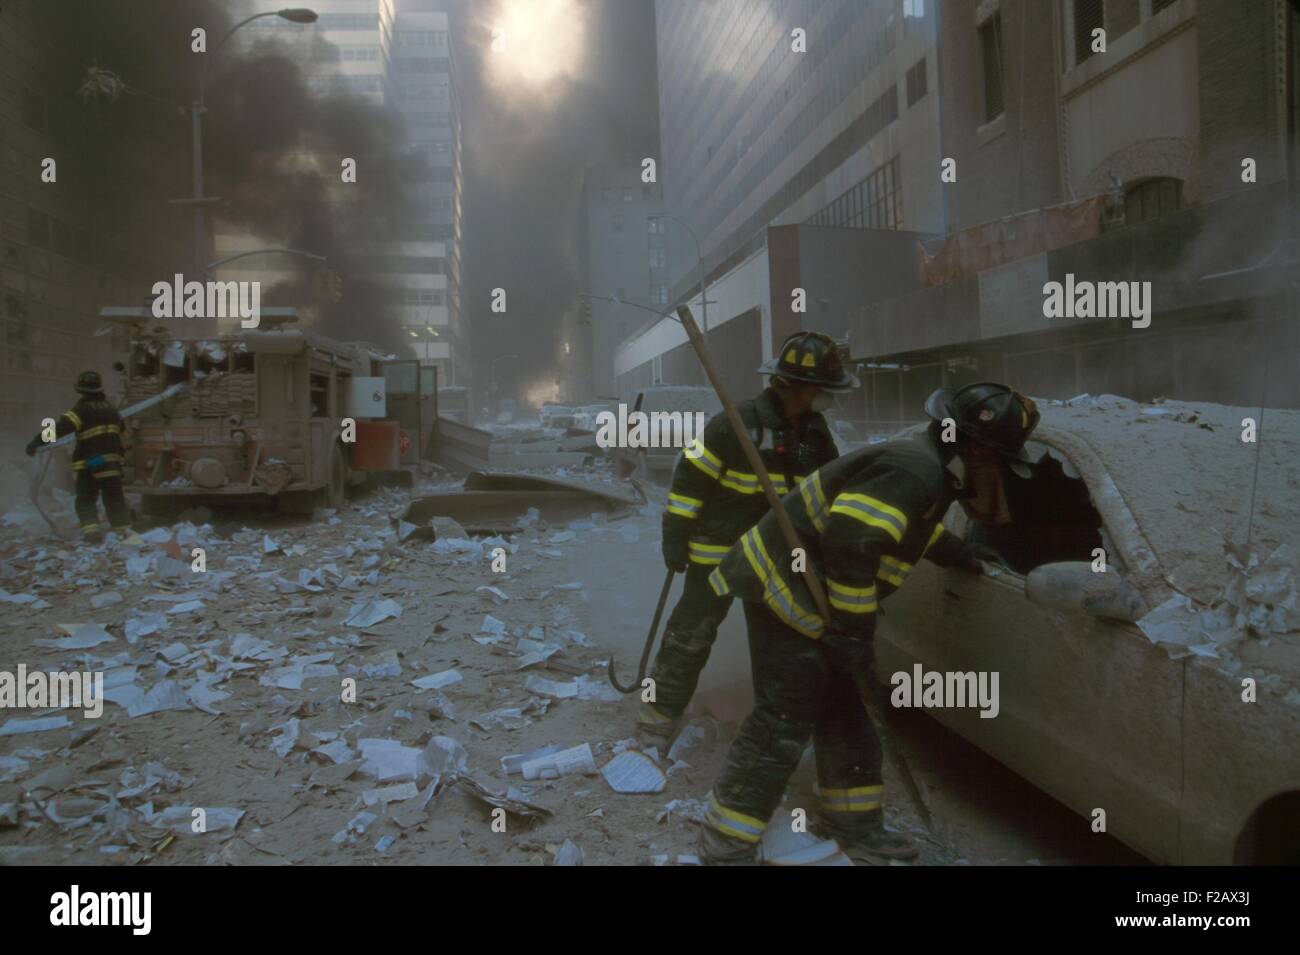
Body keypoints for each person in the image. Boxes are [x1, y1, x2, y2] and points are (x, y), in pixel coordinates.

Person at [698, 381, 1040, 864]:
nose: (998, 471)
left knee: (848, 711)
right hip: (784, 588)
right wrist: (852, 633)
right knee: (782, 720)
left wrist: (954, 550)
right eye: (999, 457)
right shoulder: (915, 469)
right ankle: (726, 840)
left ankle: (854, 826)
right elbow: (851, 541)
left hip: (814, 593)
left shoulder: (926, 467)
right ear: (976, 446)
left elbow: (901, 522)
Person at [637, 332, 855, 748]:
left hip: (775, 560)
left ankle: (770, 728)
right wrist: (675, 536)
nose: (828, 398)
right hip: (718, 556)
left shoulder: (814, 432)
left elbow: (825, 488)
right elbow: (689, 483)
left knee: (780, 645)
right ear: (797, 386)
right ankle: (656, 719)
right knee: (689, 637)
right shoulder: (736, 424)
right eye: (824, 390)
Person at [25, 370, 129, 542]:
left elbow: (58, 429)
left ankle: (92, 534)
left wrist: (36, 442)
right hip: (112, 465)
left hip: (91, 464)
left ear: (81, 390)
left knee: (85, 500)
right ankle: (124, 534)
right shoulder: (112, 409)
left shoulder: (81, 409)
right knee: (115, 500)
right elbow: (122, 429)